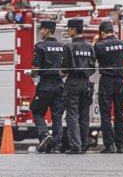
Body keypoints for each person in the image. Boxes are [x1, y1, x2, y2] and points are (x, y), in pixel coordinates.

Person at [94, 21, 123, 154]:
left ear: (102, 33)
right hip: (120, 81)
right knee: (119, 113)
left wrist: (95, 43)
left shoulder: (99, 46)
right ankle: (120, 145)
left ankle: (109, 146)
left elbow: (94, 57)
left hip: (106, 81)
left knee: (106, 114)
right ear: (113, 31)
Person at [29, 20, 65, 154]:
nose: (40, 32)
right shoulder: (62, 46)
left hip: (45, 85)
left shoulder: (40, 47)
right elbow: (65, 69)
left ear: (47, 30)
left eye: (41, 30)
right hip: (59, 85)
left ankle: (45, 135)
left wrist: (32, 75)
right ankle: (56, 146)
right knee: (57, 117)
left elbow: (35, 68)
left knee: (37, 112)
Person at [61, 18, 95, 154]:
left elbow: (64, 69)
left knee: (72, 115)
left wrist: (63, 73)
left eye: (68, 29)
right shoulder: (90, 47)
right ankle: (84, 145)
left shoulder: (68, 47)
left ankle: (76, 146)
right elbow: (92, 68)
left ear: (74, 30)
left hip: (73, 83)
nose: (68, 31)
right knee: (84, 116)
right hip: (86, 84)